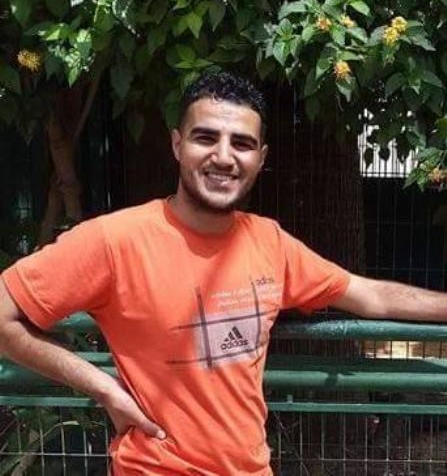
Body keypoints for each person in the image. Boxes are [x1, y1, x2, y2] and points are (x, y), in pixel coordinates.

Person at [0, 71, 446, 476]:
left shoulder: (270, 242)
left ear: (261, 158)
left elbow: (369, 295)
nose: (224, 156)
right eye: (206, 137)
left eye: (242, 143)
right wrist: (104, 389)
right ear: (177, 145)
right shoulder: (114, 241)